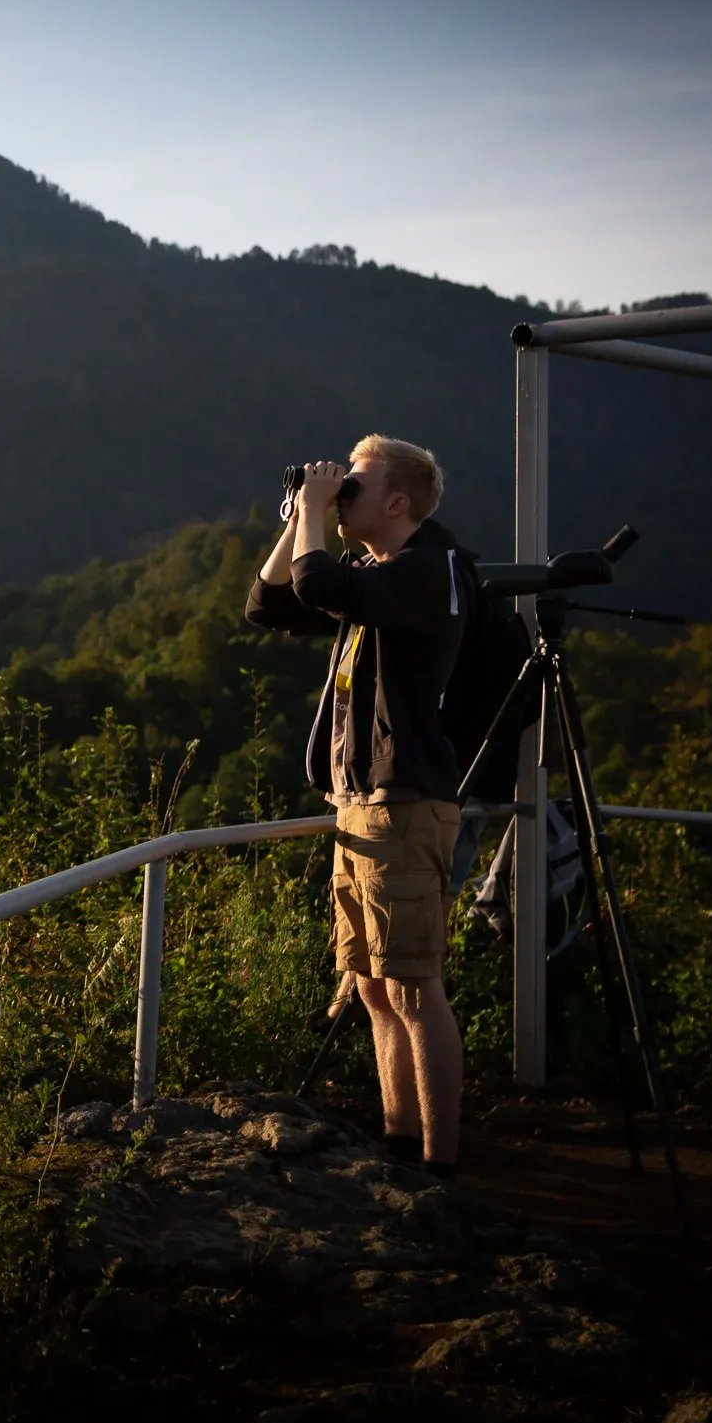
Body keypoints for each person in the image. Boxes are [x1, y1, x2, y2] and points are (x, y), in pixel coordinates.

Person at [245, 435, 469, 1178]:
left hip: (404, 802)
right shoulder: (374, 574)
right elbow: (270, 601)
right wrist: (298, 513)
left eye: (357, 482)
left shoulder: (424, 571)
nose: (341, 489)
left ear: (398, 503)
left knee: (412, 984)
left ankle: (440, 1161)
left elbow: (313, 584)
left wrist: (314, 509)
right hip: (360, 803)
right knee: (372, 985)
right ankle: (399, 1138)